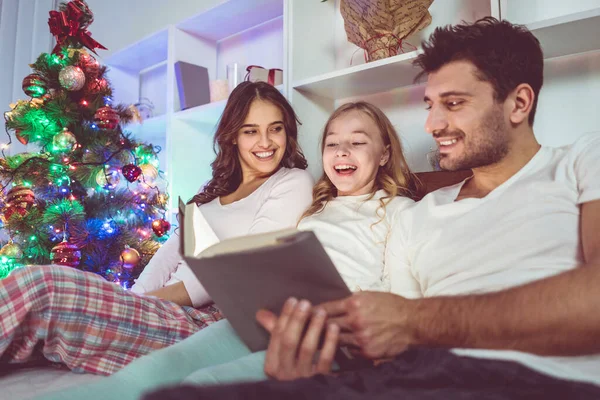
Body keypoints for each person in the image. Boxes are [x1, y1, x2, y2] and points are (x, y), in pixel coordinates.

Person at [141, 17, 600, 399]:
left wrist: (413, 325)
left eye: (454, 104)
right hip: (408, 376)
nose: (432, 124)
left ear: (519, 102)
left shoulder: (582, 161)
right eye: (429, 105)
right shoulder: (422, 211)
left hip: (536, 381)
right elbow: (389, 324)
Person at [39, 101, 420, 400]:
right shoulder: (314, 210)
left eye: (357, 142)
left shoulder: (400, 211)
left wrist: (377, 342)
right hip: (267, 318)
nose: (342, 152)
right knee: (158, 369)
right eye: (332, 143)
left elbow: (404, 300)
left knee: (210, 382)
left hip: (329, 334)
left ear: (384, 153)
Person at [0, 81, 314, 376]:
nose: (265, 142)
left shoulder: (291, 182)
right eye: (251, 131)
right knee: (37, 312)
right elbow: (171, 252)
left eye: (275, 129)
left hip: (206, 319)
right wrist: (133, 299)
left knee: (46, 287)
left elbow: (236, 267)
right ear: (232, 136)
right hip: (164, 308)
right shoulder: (214, 190)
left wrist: (143, 304)